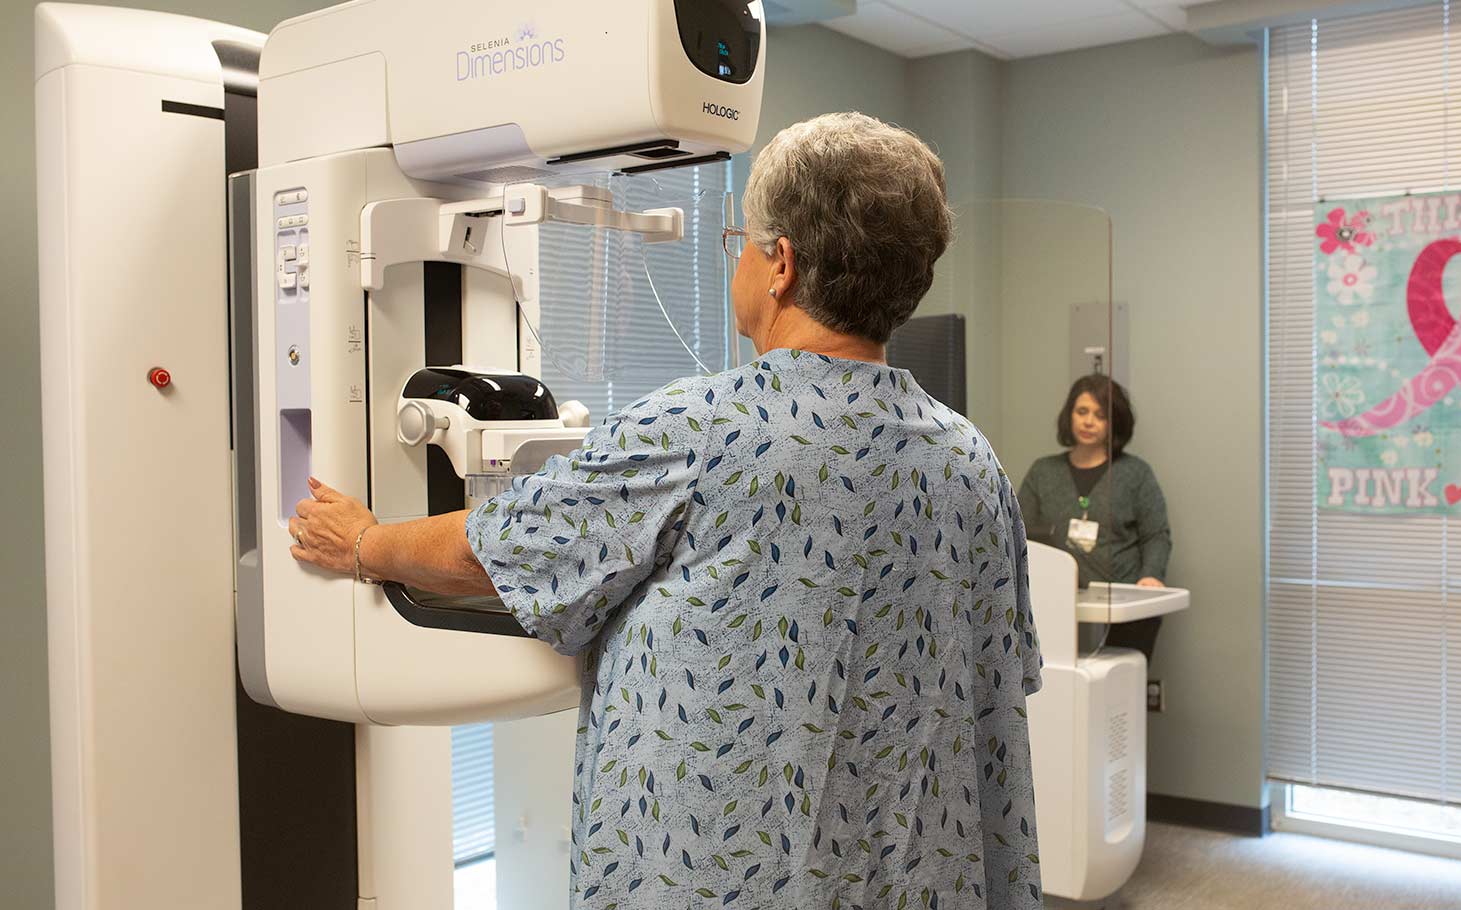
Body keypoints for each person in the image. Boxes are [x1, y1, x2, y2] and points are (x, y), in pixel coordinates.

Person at [289, 112, 1044, 908]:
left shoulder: (704, 428)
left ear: (779, 264)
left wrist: (367, 540)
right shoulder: (971, 461)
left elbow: (500, 550)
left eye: (742, 242)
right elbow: (997, 682)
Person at [1017, 375, 1172, 661]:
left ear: (1116, 423)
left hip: (1123, 611)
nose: (1089, 422)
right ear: (1069, 415)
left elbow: (1156, 535)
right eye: (1082, 412)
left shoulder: (1136, 474)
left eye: (1100, 416)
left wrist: (1151, 576)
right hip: (1057, 606)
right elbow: (1020, 534)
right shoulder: (1043, 472)